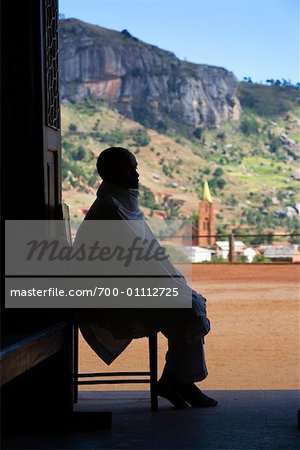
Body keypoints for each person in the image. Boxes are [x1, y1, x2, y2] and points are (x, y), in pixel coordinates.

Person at [75, 146, 218, 409]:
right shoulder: (110, 209)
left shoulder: (120, 204)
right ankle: (178, 382)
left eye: (136, 168)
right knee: (189, 310)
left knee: (189, 304)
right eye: (131, 169)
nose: (137, 175)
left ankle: (175, 380)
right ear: (113, 173)